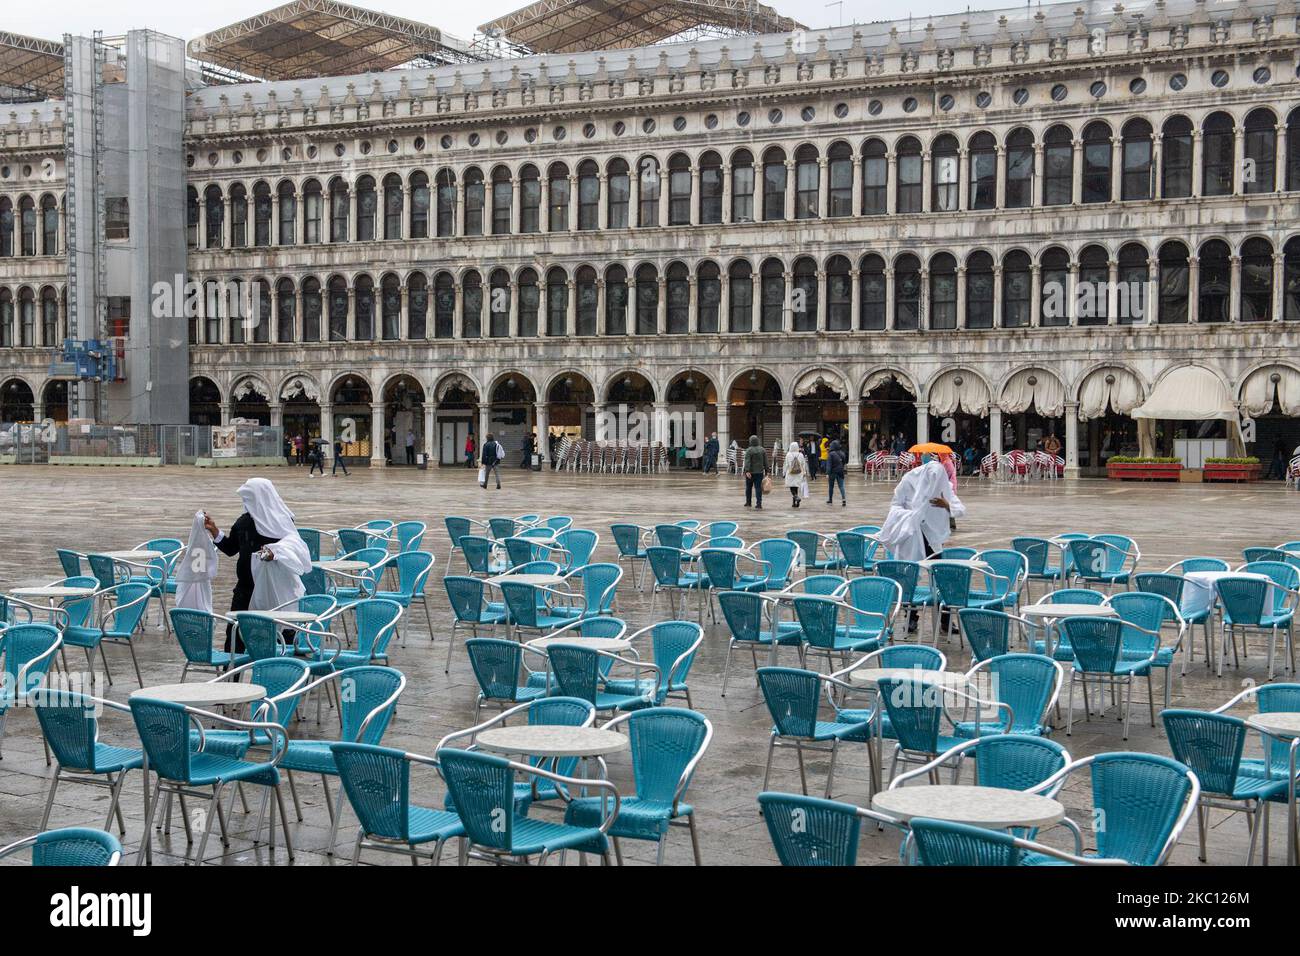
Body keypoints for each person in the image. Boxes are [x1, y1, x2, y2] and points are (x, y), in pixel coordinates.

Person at [203, 478, 313, 653]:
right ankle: (232, 675)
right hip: (245, 588)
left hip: (275, 589)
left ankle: (283, 672)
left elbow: (294, 545)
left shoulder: (282, 520)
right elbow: (231, 548)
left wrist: (275, 552)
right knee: (234, 634)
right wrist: (214, 531)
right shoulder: (243, 522)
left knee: (281, 632)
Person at [742, 434, 767, 509]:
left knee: (748, 488)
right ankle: (759, 503)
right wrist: (767, 470)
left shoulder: (749, 450)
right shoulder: (762, 450)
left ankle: (748, 502)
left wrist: (747, 471)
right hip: (759, 472)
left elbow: (747, 461)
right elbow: (765, 461)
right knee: (758, 488)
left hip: (751, 473)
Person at [783, 440, 808, 508]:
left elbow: (786, 464)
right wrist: (804, 472)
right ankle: (795, 503)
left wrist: (784, 472)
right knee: (796, 487)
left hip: (790, 473)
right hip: (799, 473)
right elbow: (803, 465)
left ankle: (796, 497)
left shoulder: (788, 454)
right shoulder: (801, 455)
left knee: (792, 487)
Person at [825, 439, 847, 506]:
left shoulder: (830, 454)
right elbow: (843, 462)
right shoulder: (842, 453)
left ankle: (830, 500)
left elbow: (829, 465)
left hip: (832, 472)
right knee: (841, 486)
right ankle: (843, 499)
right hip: (840, 472)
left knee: (831, 487)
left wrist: (827, 473)